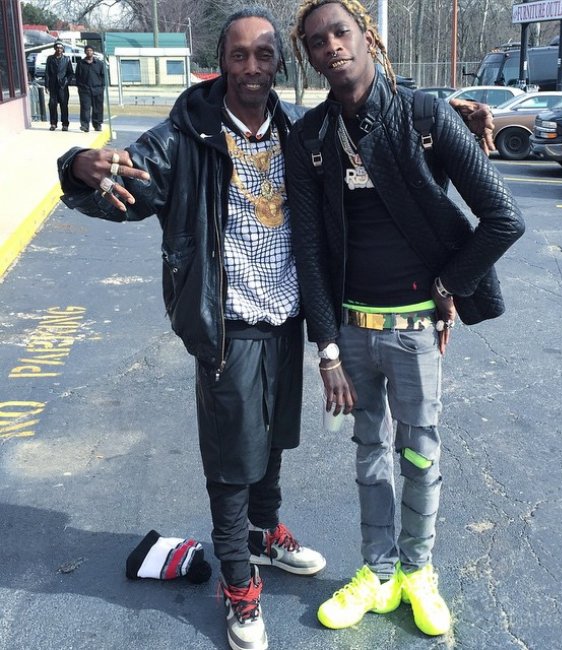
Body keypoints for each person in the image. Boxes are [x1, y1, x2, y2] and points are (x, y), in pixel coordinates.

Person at [57, 8, 326, 650]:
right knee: (232, 462)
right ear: (222, 63)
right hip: (225, 325)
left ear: (278, 63)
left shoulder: (296, 129)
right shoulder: (185, 135)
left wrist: (447, 122)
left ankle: (263, 535)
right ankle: (237, 582)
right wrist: (79, 164)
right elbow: (123, 185)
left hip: (285, 316)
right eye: (239, 54)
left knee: (272, 440)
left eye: (264, 54)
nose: (252, 66)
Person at [286, 0, 525, 639]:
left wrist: (448, 285)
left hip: (416, 329)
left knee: (418, 454)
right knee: (369, 455)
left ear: (368, 36)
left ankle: (419, 573)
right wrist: (327, 349)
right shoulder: (310, 138)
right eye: (316, 41)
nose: (331, 46)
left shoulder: (423, 116)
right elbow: (309, 251)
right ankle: (379, 573)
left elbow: (504, 217)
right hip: (351, 332)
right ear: (309, 56)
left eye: (341, 32)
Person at [44, 41, 74, 131]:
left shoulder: (66, 59)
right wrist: (46, 85)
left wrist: (66, 81)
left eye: (60, 48)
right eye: (57, 48)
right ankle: (53, 123)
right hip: (53, 86)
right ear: (55, 48)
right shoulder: (50, 59)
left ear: (63, 49)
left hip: (63, 86)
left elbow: (70, 73)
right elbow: (47, 72)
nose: (59, 49)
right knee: (52, 105)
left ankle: (65, 124)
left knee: (64, 105)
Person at [76, 45, 105, 132]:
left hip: (97, 89)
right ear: (85, 52)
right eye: (87, 50)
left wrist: (101, 87)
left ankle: (97, 125)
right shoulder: (81, 63)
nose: (89, 52)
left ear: (93, 52)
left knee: (98, 108)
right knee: (85, 108)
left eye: (90, 50)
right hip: (85, 90)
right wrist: (80, 87)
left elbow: (103, 76)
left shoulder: (99, 63)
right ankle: (85, 125)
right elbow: (77, 76)